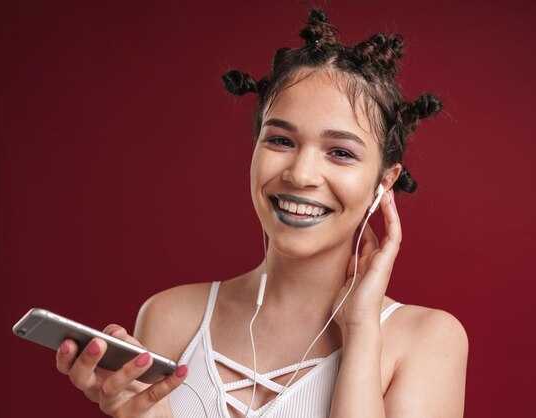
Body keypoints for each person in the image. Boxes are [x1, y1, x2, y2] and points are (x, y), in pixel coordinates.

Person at [55, 9, 468, 418]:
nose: (301, 174)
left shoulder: (428, 341)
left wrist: (361, 333)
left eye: (340, 152)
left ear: (385, 181)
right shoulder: (171, 316)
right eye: (281, 140)